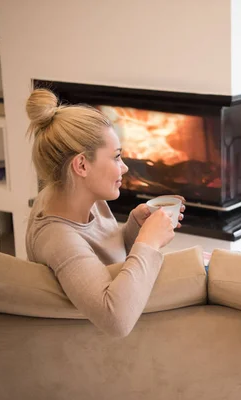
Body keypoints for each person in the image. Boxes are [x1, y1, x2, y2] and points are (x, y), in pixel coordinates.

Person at [25, 89, 184, 338]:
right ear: (82, 165)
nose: (125, 167)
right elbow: (116, 319)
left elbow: (103, 258)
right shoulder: (59, 240)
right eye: (117, 157)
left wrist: (134, 228)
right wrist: (148, 242)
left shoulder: (71, 194)